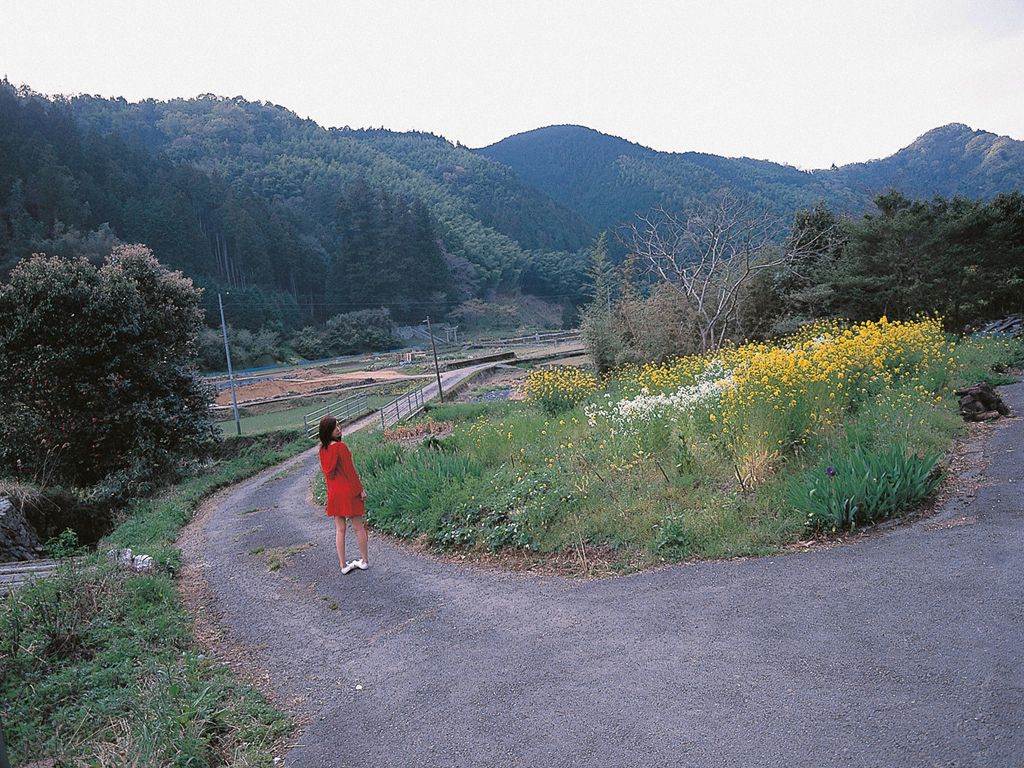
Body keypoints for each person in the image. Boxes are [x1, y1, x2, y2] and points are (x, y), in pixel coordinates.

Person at [318, 415, 369, 574]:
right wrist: (360, 490)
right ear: (328, 431)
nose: (338, 429)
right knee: (358, 528)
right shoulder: (341, 448)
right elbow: (350, 472)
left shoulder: (322, 450)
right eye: (335, 427)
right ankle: (364, 560)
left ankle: (343, 565)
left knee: (340, 530)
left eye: (339, 425)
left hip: (334, 494)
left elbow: (328, 476)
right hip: (348, 492)